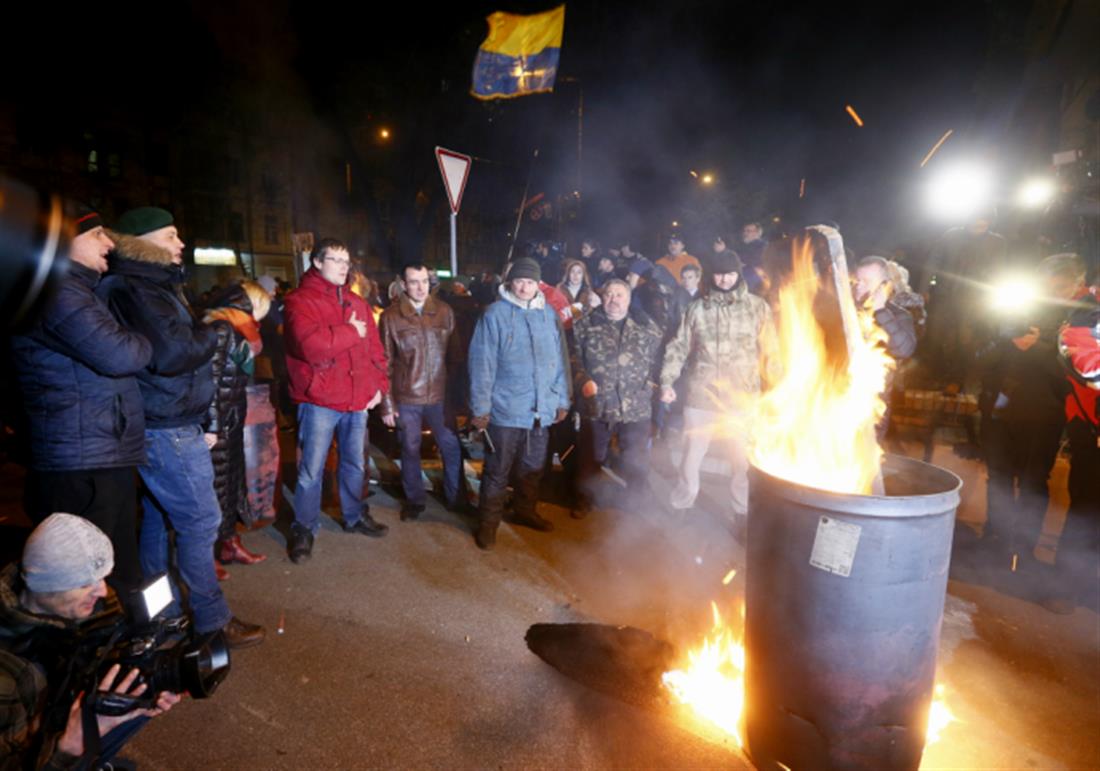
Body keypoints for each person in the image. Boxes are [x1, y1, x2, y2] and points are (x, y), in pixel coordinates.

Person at [97, 206, 264, 648]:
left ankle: (162, 614)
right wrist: (214, 327)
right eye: (171, 235)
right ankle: (211, 620)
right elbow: (172, 354)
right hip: (166, 424)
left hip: (167, 419)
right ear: (145, 242)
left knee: (157, 520)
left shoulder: (152, 285)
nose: (181, 243)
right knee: (200, 519)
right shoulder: (138, 289)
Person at [11, 205, 151, 597]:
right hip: (80, 459)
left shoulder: (74, 289)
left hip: (94, 449)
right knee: (88, 575)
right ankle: (89, 649)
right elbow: (122, 354)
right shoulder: (56, 293)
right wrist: (143, 338)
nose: (108, 242)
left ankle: (120, 644)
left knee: (112, 562)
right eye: (96, 235)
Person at [0, 514, 180, 769]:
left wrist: (145, 685)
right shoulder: (8, 679)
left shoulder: (95, 608)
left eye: (104, 577)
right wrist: (68, 749)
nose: (103, 591)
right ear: (47, 586)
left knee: (132, 704)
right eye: (86, 583)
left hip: (57, 712)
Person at [283, 238, 390, 564]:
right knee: (311, 469)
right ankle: (304, 527)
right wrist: (349, 332)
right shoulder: (299, 302)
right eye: (336, 260)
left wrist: (379, 387)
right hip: (319, 400)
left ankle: (354, 515)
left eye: (347, 262)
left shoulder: (358, 304)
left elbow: (375, 351)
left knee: (355, 463)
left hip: (357, 399)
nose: (344, 267)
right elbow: (311, 347)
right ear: (317, 262)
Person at [659, 249, 775, 533]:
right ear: (711, 275)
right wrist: (666, 381)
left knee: (742, 459)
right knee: (692, 453)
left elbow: (772, 351)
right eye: (720, 274)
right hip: (702, 394)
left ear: (738, 274)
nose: (725, 280)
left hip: (742, 396)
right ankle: (683, 502)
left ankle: (741, 511)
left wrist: (777, 387)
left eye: (730, 274)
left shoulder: (756, 307)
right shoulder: (697, 309)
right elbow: (678, 347)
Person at [468, 258, 571, 550]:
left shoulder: (548, 316)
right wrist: (480, 409)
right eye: (520, 281)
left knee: (533, 468)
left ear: (538, 284)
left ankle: (525, 511)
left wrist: (561, 399)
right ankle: (488, 525)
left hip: (541, 409)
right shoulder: (494, 315)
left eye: (530, 282)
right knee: (497, 470)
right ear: (510, 282)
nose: (525, 287)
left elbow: (559, 361)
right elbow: (482, 364)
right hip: (505, 410)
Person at [569, 279, 663, 518]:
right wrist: (583, 381)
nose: (613, 299)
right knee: (591, 456)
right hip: (598, 403)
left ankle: (636, 501)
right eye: (609, 294)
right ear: (602, 297)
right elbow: (572, 360)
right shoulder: (585, 325)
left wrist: (654, 385)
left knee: (636, 457)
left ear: (629, 299)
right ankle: (584, 499)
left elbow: (660, 361)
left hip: (636, 404)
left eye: (619, 295)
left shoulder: (647, 327)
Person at [379, 264, 466, 520]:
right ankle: (414, 500)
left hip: (440, 397)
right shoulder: (391, 317)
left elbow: (456, 356)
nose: (420, 287)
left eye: (424, 281)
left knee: (451, 446)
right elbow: (384, 362)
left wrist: (456, 396)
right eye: (414, 282)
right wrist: (387, 404)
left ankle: (456, 497)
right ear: (404, 285)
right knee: (410, 448)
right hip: (407, 398)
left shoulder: (444, 312)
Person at [1042, 254, 1099, 614]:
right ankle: (1067, 588)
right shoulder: (1083, 317)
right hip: (1090, 428)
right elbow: (1090, 369)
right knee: (1087, 508)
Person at [204, 281, 272, 576]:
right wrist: (211, 425)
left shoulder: (240, 328)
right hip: (218, 421)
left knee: (230, 484)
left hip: (231, 418)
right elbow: (210, 380)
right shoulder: (222, 328)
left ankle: (229, 543)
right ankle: (207, 556)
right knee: (214, 488)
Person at [556, 259, 601, 326]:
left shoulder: (589, 293)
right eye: (572, 272)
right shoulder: (559, 289)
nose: (575, 275)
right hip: (562, 327)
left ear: (583, 275)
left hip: (582, 330)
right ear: (568, 274)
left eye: (579, 272)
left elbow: (592, 316)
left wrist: (593, 306)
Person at [739, 222, 767, 292]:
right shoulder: (743, 247)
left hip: (756, 280)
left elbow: (758, 261)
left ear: (758, 233)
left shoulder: (763, 246)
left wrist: (742, 263)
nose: (745, 233)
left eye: (748, 231)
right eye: (744, 231)